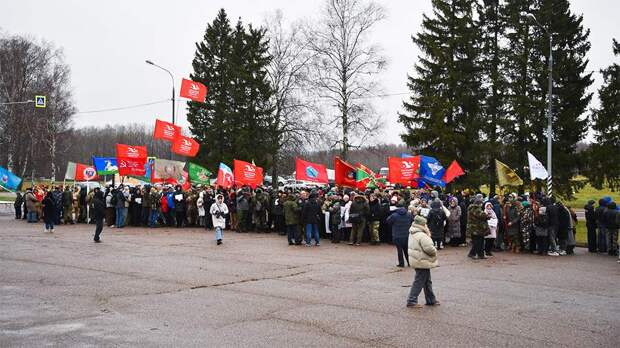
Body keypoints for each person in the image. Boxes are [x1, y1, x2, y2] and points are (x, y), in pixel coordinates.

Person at [406, 215, 439, 308]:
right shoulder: (422, 235)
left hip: (417, 260)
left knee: (426, 281)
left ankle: (431, 299)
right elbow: (429, 249)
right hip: (422, 261)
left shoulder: (412, 232)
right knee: (420, 281)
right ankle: (411, 300)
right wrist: (435, 250)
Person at [386, 200, 413, 267]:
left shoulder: (394, 215)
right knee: (406, 250)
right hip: (406, 235)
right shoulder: (409, 214)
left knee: (399, 250)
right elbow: (412, 221)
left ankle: (401, 263)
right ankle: (409, 262)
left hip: (397, 235)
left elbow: (388, 221)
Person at [467, 194, 489, 260]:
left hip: (479, 227)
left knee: (481, 241)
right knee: (477, 241)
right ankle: (472, 253)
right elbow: (481, 215)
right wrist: (487, 216)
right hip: (475, 228)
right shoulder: (475, 208)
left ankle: (481, 254)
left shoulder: (476, 207)